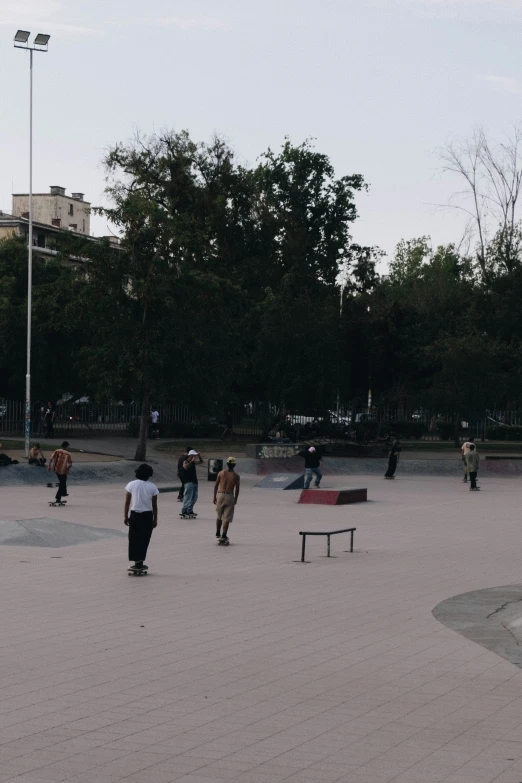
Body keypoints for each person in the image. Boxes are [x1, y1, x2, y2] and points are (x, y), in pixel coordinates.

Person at [124, 463, 159, 572]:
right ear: (149, 474)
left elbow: (127, 502)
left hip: (134, 515)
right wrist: (155, 519)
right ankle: (140, 562)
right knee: (144, 539)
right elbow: (154, 505)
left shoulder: (131, 485)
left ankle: (136, 562)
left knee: (134, 539)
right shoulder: (152, 486)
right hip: (147, 516)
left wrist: (125, 516)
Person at [214, 457, 240, 543]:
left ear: (227, 464)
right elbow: (237, 489)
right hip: (229, 496)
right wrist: (235, 499)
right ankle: (224, 534)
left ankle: (218, 531)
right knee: (227, 518)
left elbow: (216, 485)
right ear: (234, 465)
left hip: (220, 495)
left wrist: (214, 497)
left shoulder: (221, 473)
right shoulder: (236, 476)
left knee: (219, 515)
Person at [181, 449, 203, 517]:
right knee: (188, 496)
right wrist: (191, 461)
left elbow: (201, 462)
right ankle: (184, 510)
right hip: (188, 481)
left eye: (195, 455)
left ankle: (190, 510)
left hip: (194, 481)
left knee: (194, 497)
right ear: (190, 455)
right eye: (194, 455)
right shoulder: (186, 461)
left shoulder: (193, 462)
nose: (194, 457)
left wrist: (199, 456)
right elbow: (185, 467)